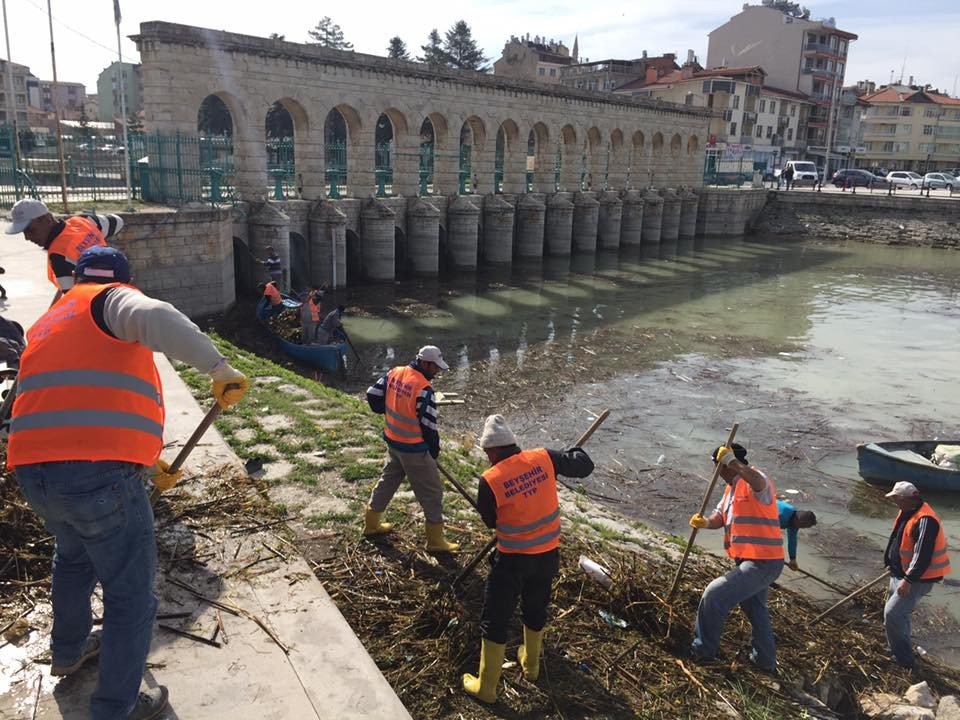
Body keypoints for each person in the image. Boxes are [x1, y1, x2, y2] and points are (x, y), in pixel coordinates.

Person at [8, 246, 249, 720]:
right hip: (96, 473)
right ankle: (116, 708)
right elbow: (155, 315)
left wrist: (142, 462)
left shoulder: (51, 321)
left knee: (73, 559)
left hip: (35, 471)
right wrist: (219, 369)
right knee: (131, 596)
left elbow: (79, 401)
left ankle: (69, 650)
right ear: (120, 279)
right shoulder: (109, 299)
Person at [462, 414, 594, 703]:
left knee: (495, 618)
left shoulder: (490, 480)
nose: (487, 459)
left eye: (487, 454)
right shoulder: (543, 457)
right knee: (535, 608)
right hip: (547, 556)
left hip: (511, 562)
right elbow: (584, 465)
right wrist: (573, 452)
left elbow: (489, 520)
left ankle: (487, 688)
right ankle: (531, 666)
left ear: (493, 450)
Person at [688, 442, 784, 673]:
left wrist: (732, 462)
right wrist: (705, 523)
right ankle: (765, 660)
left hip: (763, 562)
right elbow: (720, 516)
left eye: (718, 466)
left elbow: (758, 482)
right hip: (748, 560)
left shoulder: (755, 480)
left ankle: (701, 651)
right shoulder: (731, 489)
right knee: (755, 609)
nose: (716, 472)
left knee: (714, 595)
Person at [363, 345, 458, 552]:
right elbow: (429, 427)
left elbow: (372, 395)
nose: (437, 372)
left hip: (393, 442)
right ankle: (435, 541)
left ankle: (371, 524)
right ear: (424, 363)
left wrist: (386, 409)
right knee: (432, 494)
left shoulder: (395, 372)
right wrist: (433, 452)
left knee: (386, 482)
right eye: (435, 367)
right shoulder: (424, 389)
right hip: (415, 450)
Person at [882, 481, 951, 669]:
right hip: (900, 573)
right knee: (899, 615)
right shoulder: (907, 511)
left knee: (893, 614)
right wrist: (890, 562)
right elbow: (897, 538)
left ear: (904, 498)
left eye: (896, 498)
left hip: (916, 579)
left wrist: (908, 580)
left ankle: (904, 660)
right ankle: (896, 649)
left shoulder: (926, 520)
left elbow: (922, 556)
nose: (894, 501)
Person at [5, 198, 122, 304]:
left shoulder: (58, 257)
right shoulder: (84, 221)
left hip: (100, 305)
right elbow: (118, 221)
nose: (27, 238)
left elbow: (73, 302)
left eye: (31, 230)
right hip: (118, 290)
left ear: (47, 219)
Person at [777, 500, 817, 571]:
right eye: (805, 527)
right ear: (801, 522)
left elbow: (792, 541)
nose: (803, 528)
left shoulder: (794, 522)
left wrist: (793, 559)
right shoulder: (781, 516)